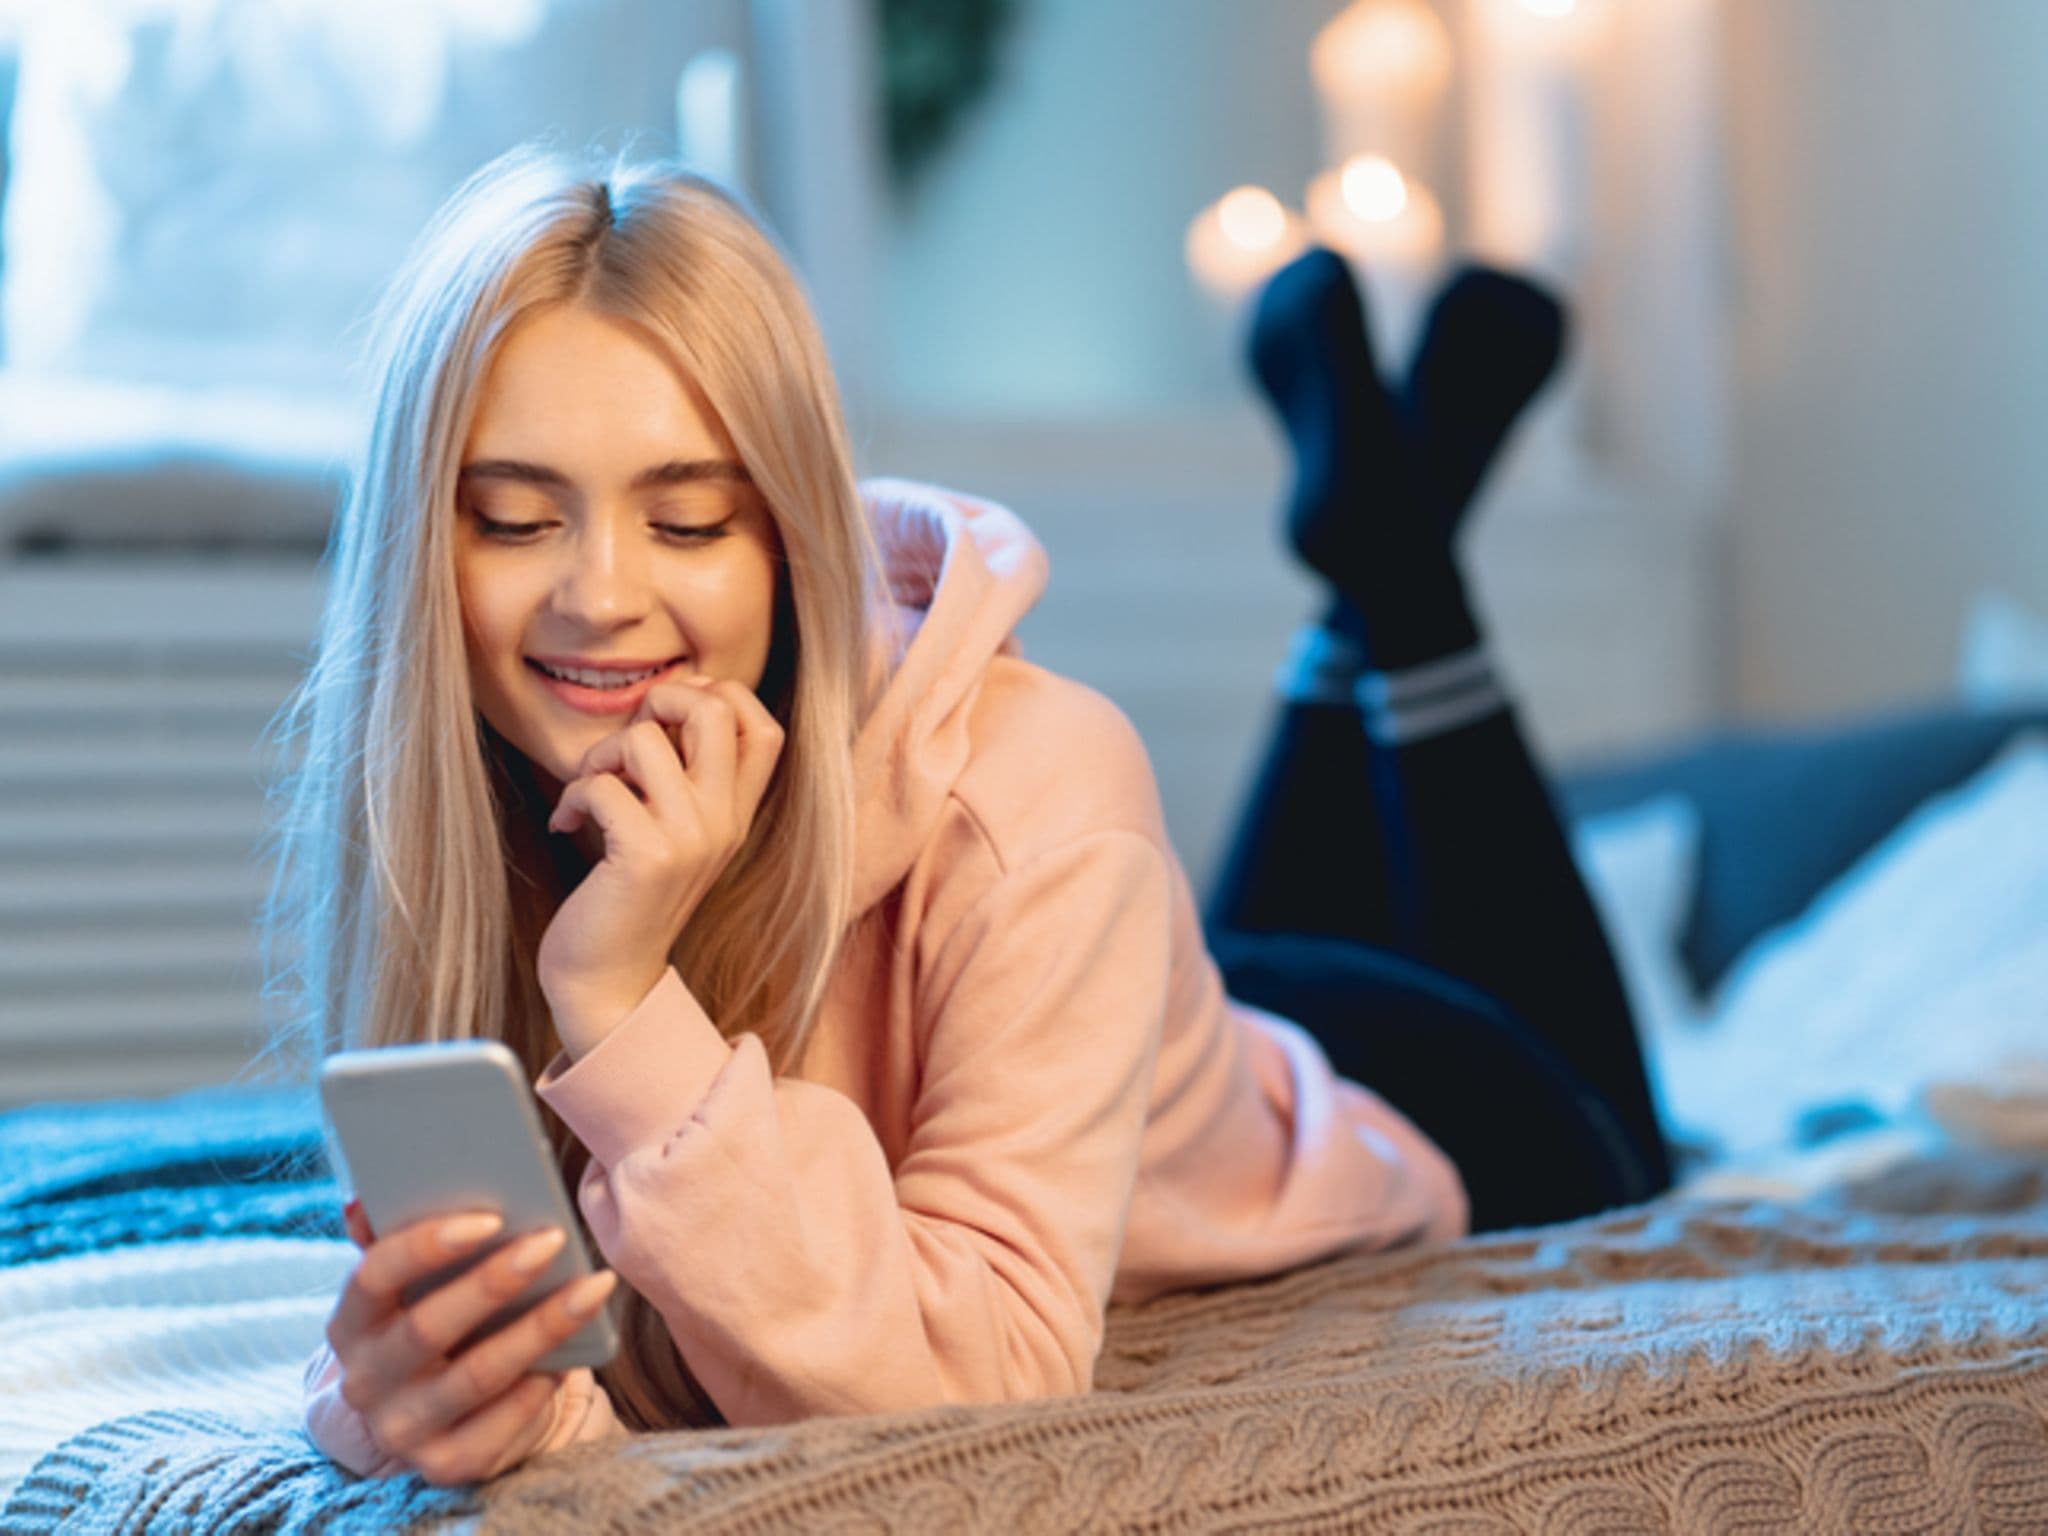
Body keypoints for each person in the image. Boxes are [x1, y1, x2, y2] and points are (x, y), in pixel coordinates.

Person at [273, 145, 1667, 1489]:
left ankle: (1397, 566)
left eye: (689, 523)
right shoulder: (461, 797)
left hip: (1453, 1105)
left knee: (1611, 1109)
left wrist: (622, 1001)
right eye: (515, 521)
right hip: (1163, 1035)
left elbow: (979, 1392)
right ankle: (1380, 540)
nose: (596, 596)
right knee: (1186, 939)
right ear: (423, 550)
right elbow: (564, 1363)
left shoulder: (1041, 787)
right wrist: (407, 1396)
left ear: (788, 541)